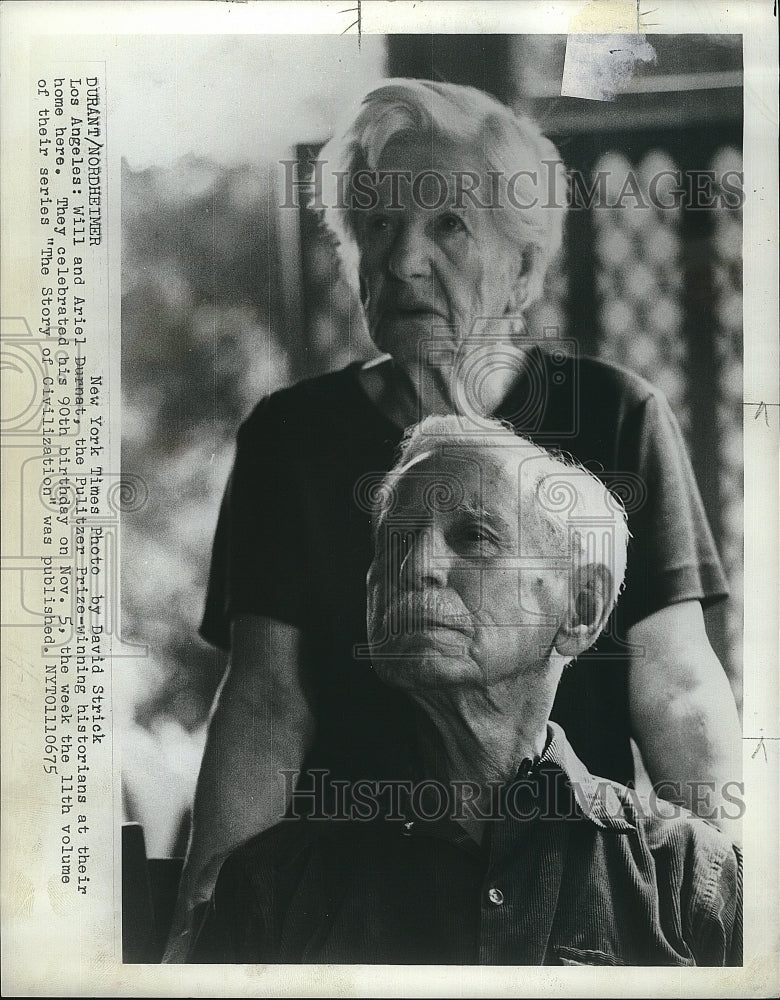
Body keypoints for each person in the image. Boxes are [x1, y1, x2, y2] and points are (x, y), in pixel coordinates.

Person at [165, 79, 741, 959]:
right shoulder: (293, 438)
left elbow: (676, 686)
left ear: (522, 266)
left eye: (447, 225)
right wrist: (211, 913)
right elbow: (266, 699)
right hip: (357, 888)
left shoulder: (613, 415)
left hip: (565, 883)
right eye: (380, 227)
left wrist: (723, 893)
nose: (401, 261)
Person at [187, 417, 742, 966]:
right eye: (394, 543)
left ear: (583, 608)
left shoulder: (691, 877)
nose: (416, 566)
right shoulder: (270, 885)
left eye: (475, 536)